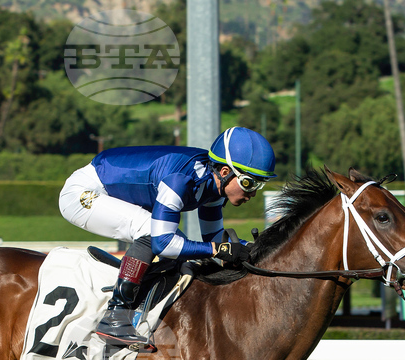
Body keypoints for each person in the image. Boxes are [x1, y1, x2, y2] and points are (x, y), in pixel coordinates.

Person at [59, 126, 277, 345]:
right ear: (224, 172)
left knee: (179, 249)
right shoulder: (181, 180)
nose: (253, 193)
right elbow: (163, 244)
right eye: (249, 183)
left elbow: (215, 238)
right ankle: (115, 316)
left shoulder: (213, 186)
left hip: (111, 186)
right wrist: (217, 249)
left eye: (259, 184)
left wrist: (251, 249)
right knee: (151, 232)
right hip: (83, 192)